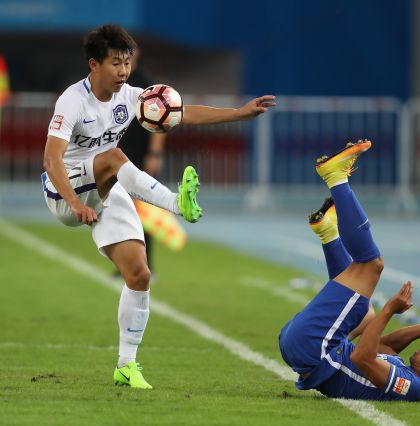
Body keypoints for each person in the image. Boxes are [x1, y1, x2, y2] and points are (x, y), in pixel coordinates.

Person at [41, 24, 276, 389]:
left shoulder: (131, 95)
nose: (124, 71)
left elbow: (183, 112)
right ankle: (175, 203)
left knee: (140, 275)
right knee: (115, 156)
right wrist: (73, 202)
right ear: (94, 64)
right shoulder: (72, 101)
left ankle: (126, 366)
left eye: (127, 62)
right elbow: (51, 159)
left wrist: (238, 114)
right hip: (64, 191)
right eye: (116, 63)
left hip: (105, 187)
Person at [279, 140, 420, 401]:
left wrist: (390, 309)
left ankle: (336, 177)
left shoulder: (414, 387)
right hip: (306, 344)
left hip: (314, 348)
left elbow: (362, 357)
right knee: (366, 314)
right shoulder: (407, 371)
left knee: (372, 266)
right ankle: (329, 234)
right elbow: (384, 345)